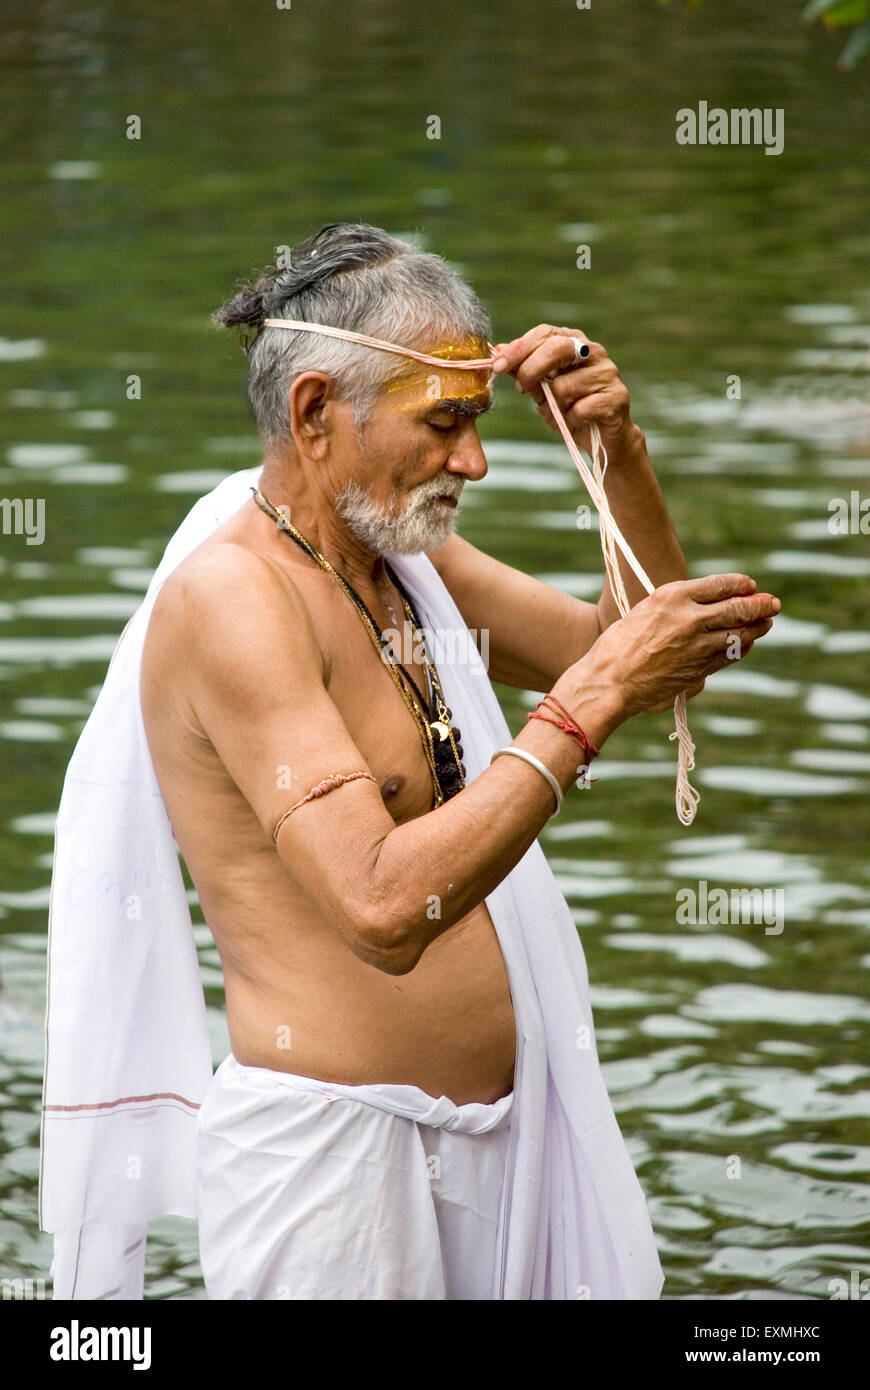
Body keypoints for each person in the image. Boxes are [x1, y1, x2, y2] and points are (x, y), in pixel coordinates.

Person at [50, 222, 780, 1301]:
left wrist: (617, 452)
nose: (474, 461)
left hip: (502, 1143)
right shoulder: (234, 600)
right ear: (313, 414)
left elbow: (653, 654)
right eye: (444, 423)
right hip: (336, 1174)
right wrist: (592, 702)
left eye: (477, 422)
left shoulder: (400, 557)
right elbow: (382, 905)